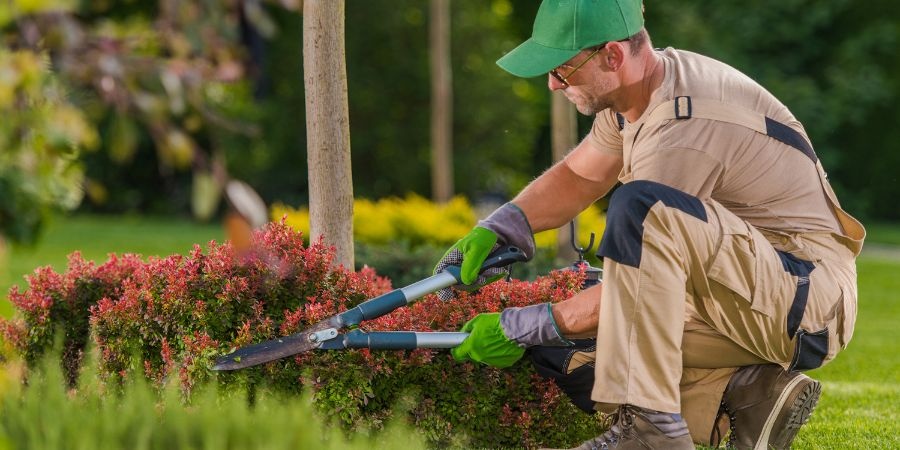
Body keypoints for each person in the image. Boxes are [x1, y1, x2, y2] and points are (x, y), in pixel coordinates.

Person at [435, 0, 865, 448]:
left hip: (804, 299)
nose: (551, 84)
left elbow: (628, 292)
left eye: (562, 70)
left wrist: (523, 323)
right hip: (748, 292)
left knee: (630, 228)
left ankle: (651, 432)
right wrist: (507, 224)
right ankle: (754, 393)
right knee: (564, 351)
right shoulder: (638, 94)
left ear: (612, 56)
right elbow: (582, 174)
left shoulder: (683, 128)